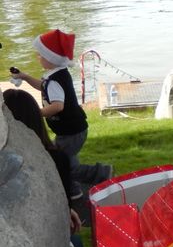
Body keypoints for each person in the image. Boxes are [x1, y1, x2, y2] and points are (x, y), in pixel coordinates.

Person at [10, 29, 111, 199]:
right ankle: (73, 191)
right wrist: (25, 77)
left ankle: (101, 173)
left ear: (51, 59)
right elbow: (43, 86)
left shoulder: (54, 81)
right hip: (71, 129)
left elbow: (57, 106)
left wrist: (36, 113)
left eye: (41, 55)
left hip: (71, 131)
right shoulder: (57, 74)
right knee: (65, 160)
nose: (38, 57)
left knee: (64, 163)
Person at [3, 88, 83, 247]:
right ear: (37, 118)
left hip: (12, 237)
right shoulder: (57, 159)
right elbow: (62, 205)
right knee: (76, 244)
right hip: (45, 237)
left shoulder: (5, 161)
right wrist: (67, 211)